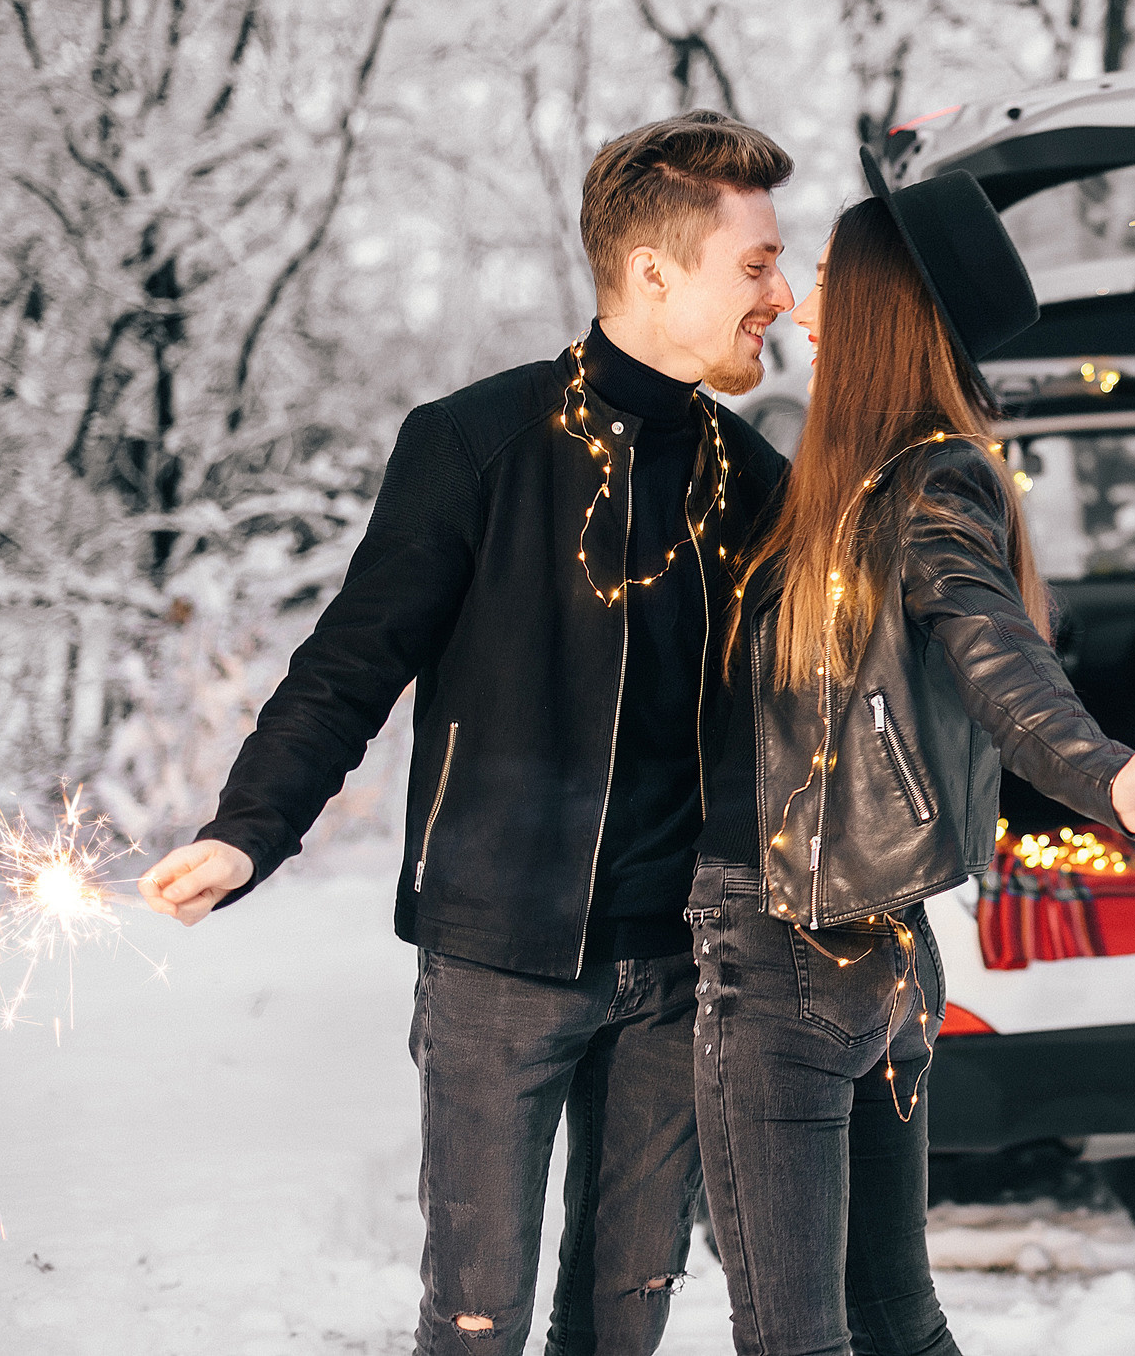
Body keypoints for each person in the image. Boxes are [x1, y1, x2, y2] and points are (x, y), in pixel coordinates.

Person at [136, 111, 801, 1356]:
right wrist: (248, 827)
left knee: (623, 1324)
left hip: (682, 965)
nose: (783, 291)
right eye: (757, 263)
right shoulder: (476, 443)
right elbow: (352, 661)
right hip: (499, 957)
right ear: (654, 271)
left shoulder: (751, 478)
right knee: (475, 1324)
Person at [688, 153, 1135, 1356]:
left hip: (786, 950)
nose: (796, 298)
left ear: (881, 304)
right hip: (879, 952)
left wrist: (1106, 773)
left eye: (822, 272)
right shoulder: (851, 482)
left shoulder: (923, 479)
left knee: (798, 1336)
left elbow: (993, 647)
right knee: (893, 1315)